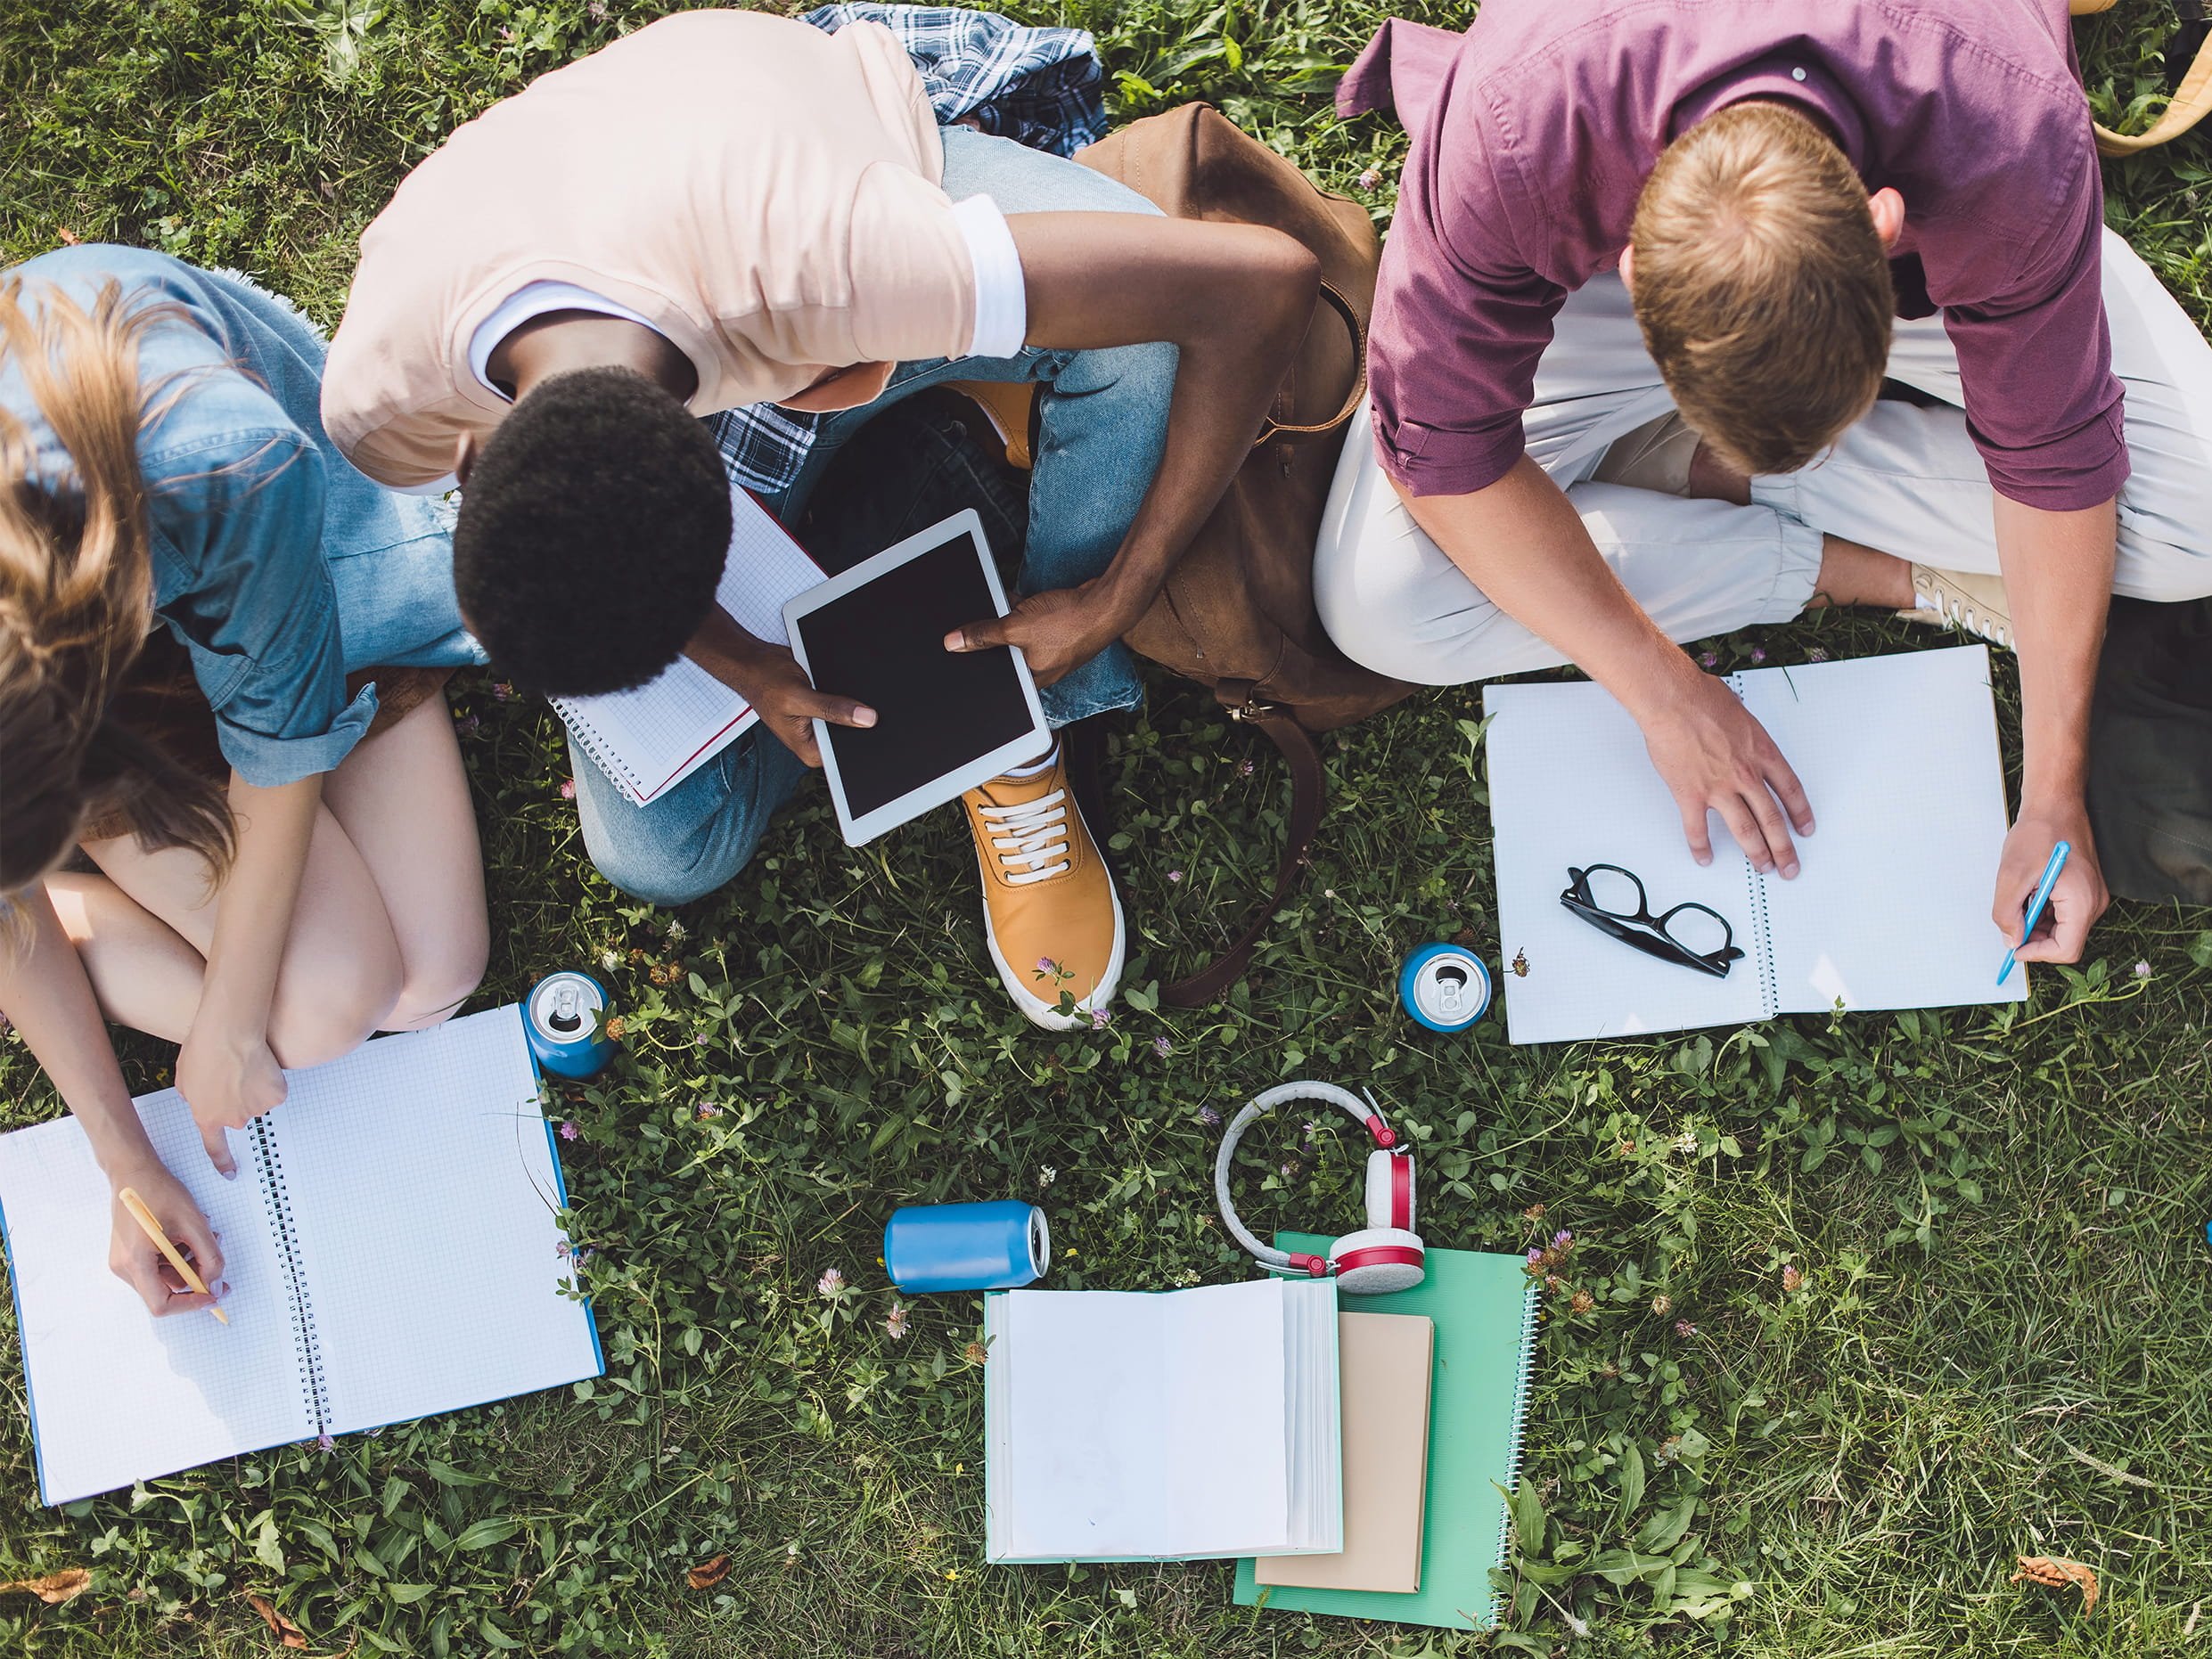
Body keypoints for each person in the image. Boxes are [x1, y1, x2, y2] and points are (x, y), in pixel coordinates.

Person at [320, 7, 1319, 1030]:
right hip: (642, 218)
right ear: (471, 452)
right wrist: (742, 663)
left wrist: (1119, 591)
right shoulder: (381, 402)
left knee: (1137, 353)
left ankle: (1030, 716)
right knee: (661, 851)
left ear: (728, 490)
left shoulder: (840, 265)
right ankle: (949, 503)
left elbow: (1260, 285)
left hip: (814, 155)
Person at [1319, 1, 2212, 968]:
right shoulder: (1518, 120)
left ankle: (1672, 474)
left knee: (2196, 519)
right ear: (1628, 260)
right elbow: (1439, 447)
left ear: (1883, 227)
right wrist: (1665, 695)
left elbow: (2056, 453)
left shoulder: (2009, 128)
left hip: (1948, 192)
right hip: (1609, 222)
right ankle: (1816, 537)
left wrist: (2051, 795)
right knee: (1381, 604)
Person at [0, 247, 489, 1318]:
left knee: (427, 981)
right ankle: (79, 914)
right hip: (121, 636)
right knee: (333, 1008)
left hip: (258, 561)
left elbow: (279, 735)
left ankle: (100, 906)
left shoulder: (220, 469)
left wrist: (225, 1020)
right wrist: (125, 1160)